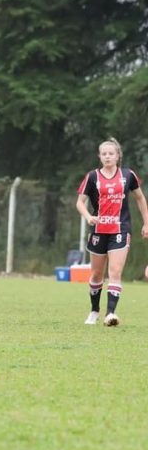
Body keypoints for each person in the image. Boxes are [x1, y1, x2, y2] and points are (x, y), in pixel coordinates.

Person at [75, 138, 148, 326]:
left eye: (111, 153)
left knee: (115, 272)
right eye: (104, 153)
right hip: (99, 231)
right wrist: (89, 217)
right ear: (100, 156)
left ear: (117, 156)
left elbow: (140, 199)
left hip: (120, 230)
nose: (107, 156)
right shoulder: (92, 177)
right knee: (97, 275)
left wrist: (146, 223)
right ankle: (94, 311)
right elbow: (79, 203)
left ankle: (110, 314)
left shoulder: (128, 175)